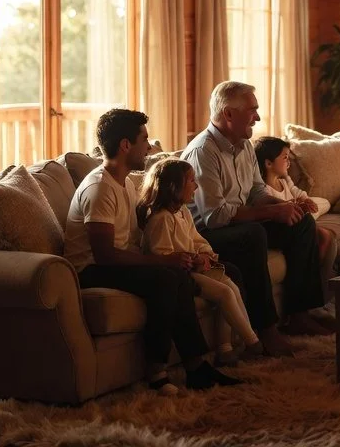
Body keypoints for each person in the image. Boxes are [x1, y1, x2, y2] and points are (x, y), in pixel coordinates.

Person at [62, 109, 239, 394]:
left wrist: (186, 255)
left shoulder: (124, 182)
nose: (149, 146)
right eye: (144, 139)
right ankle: (156, 371)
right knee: (166, 277)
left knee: (178, 275)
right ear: (125, 145)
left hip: (114, 262)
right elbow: (105, 255)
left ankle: (196, 367)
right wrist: (163, 259)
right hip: (90, 269)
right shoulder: (100, 189)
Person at [182, 81, 330, 359]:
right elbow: (215, 217)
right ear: (228, 114)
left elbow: (256, 191)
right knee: (252, 235)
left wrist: (283, 205)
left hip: (239, 224)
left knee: (302, 223)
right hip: (206, 236)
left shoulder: (244, 145)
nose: (258, 117)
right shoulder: (203, 152)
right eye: (252, 110)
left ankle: (299, 315)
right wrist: (272, 213)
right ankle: (266, 330)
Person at [138, 158, 263, 366]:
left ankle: (226, 348)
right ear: (173, 187)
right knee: (224, 293)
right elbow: (162, 256)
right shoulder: (162, 219)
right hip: (183, 275)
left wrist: (205, 255)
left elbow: (198, 240)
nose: (196, 186)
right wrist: (193, 259)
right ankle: (252, 342)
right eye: (191, 181)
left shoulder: (183, 212)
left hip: (195, 267)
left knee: (230, 284)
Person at [253, 136, 338, 282]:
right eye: (285, 157)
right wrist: (296, 206)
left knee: (324, 210)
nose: (289, 162)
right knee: (325, 235)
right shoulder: (263, 192)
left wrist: (304, 200)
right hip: (286, 224)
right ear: (268, 163)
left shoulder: (284, 183)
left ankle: (327, 278)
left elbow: (298, 192)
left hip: (299, 218)